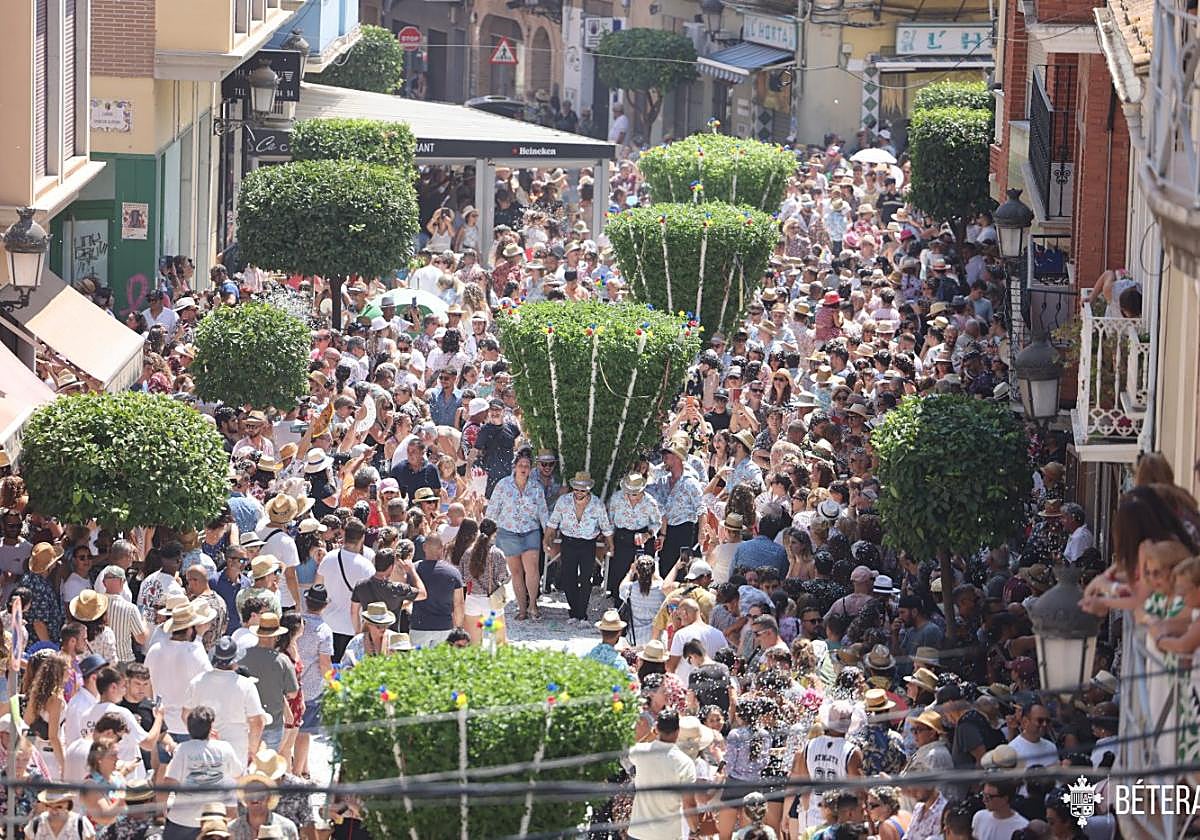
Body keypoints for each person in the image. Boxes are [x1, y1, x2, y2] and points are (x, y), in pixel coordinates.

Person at [183, 637, 268, 766]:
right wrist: (252, 750)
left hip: (205, 746)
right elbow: (257, 721)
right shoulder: (246, 685)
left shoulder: (197, 682)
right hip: (237, 748)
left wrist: (200, 733)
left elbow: (186, 715)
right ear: (235, 661)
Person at [162, 707, 244, 840]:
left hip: (182, 820)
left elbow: (169, 782)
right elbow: (238, 775)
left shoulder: (182, 749)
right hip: (213, 822)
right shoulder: (225, 747)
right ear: (211, 726)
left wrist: (162, 808)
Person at [545, 471, 614, 626]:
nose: (579, 492)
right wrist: (546, 540)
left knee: (586, 579)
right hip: (568, 542)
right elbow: (553, 522)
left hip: (587, 544)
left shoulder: (597, 504)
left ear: (588, 490)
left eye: (582, 490)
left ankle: (582, 615)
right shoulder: (563, 501)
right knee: (568, 578)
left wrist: (611, 544)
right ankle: (574, 611)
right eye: (576, 489)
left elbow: (605, 527)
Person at [486, 449, 548, 621]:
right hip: (508, 532)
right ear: (514, 467)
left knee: (532, 570)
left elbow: (543, 511)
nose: (523, 468)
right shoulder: (503, 485)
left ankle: (533, 605)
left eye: (527, 466)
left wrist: (547, 534)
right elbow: (493, 509)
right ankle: (521, 608)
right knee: (516, 572)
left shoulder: (536, 487)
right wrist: (488, 531)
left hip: (530, 531)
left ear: (530, 469)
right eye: (520, 465)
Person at [627, 709, 696, 840]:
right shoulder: (685, 763)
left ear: (656, 728)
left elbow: (634, 748)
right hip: (668, 834)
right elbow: (689, 804)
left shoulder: (641, 752)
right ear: (678, 731)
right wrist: (695, 830)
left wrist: (651, 735)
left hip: (638, 832)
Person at [314, 518, 375, 661]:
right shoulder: (366, 567)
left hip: (328, 623)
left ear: (344, 535)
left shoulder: (328, 558)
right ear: (362, 538)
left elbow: (317, 587)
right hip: (352, 628)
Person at [238, 613, 299, 751]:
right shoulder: (282, 661)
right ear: (276, 636)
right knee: (268, 766)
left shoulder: (242, 657)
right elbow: (293, 693)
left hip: (247, 722)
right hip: (273, 723)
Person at [607, 473, 661, 604]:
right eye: (629, 493)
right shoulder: (616, 499)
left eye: (634, 494)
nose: (631, 497)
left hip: (642, 538)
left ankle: (640, 605)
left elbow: (657, 522)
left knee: (643, 573)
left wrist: (647, 535)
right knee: (619, 572)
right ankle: (619, 607)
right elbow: (610, 521)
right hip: (622, 537)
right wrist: (610, 543)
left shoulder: (650, 502)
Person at [409, 535, 464, 647]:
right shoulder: (453, 572)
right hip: (444, 627)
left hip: (419, 626)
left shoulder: (414, 570)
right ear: (442, 548)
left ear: (424, 547)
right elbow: (458, 603)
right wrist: (458, 628)